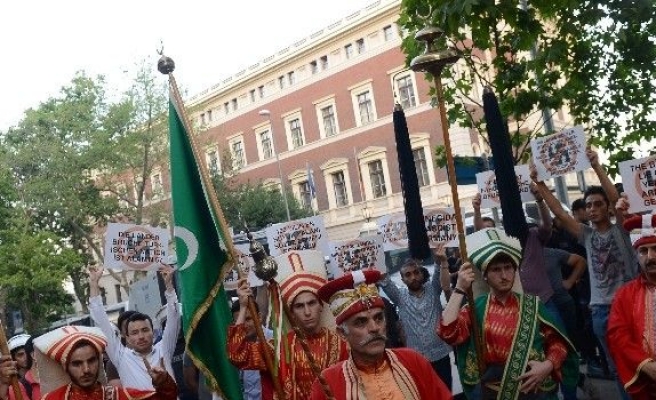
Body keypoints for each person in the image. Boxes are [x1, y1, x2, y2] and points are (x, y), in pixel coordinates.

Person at [531, 148, 638, 399]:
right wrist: (540, 184)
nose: (592, 208)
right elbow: (559, 213)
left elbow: (616, 198)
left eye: (598, 204)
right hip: (601, 311)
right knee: (615, 369)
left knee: (639, 363)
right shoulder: (586, 235)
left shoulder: (622, 229)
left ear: (608, 208)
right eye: (588, 205)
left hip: (629, 307)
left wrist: (596, 166)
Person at [438, 228, 579, 399]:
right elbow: (448, 332)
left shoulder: (533, 305)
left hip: (536, 391)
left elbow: (558, 344)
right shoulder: (475, 308)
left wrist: (548, 366)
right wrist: (460, 288)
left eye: (508, 268)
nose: (504, 275)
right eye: (496, 270)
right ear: (485, 275)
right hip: (494, 393)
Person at [310, 269, 452, 400]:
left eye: (378, 318)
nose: (374, 328)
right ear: (342, 334)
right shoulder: (328, 383)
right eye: (360, 322)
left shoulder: (413, 361)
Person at [227, 250, 349, 400]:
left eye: (311, 303)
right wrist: (244, 306)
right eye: (299, 306)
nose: (307, 312)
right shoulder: (279, 348)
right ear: (291, 312)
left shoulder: (341, 344)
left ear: (321, 306)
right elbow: (237, 355)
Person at [0, 326, 177, 400]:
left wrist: (163, 383)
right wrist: (2, 386)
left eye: (91, 361)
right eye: (77, 364)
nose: (86, 369)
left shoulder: (118, 396)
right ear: (65, 367)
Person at [88, 266, 181, 390]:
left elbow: (174, 317)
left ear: (153, 333)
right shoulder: (121, 357)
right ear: (127, 337)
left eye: (145, 330)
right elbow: (101, 320)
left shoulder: (164, 349)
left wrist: (169, 286)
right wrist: (94, 285)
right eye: (135, 333)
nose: (141, 336)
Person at [377, 247, 454, 390]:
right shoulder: (400, 297)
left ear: (421, 273)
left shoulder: (433, 289)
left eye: (416, 272)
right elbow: (384, 279)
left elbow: (439, 269)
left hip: (441, 355)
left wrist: (439, 256)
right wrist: (377, 262)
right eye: (408, 275)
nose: (413, 277)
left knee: (445, 391)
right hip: (416, 359)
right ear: (403, 279)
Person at [607, 213, 656, 399]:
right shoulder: (625, 294)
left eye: (655, 249)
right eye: (643, 251)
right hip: (645, 380)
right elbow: (617, 335)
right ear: (636, 256)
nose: (650, 257)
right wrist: (645, 365)